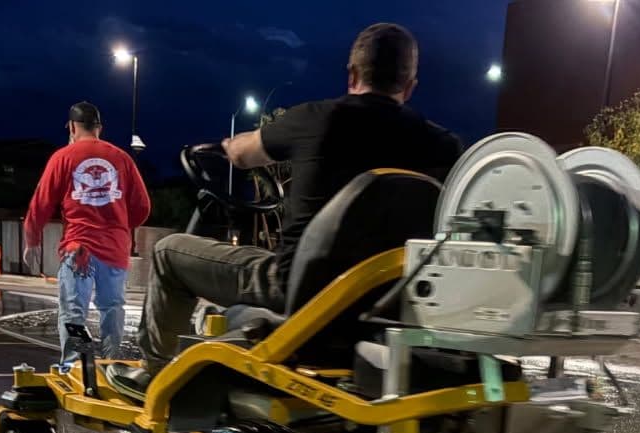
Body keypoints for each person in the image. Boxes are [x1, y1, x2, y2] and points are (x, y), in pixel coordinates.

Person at [135, 22, 462, 377]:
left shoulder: (316, 119)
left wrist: (225, 148)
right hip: (388, 303)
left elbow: (242, 153)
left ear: (352, 75)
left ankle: (153, 374)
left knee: (168, 252)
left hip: (297, 290)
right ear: (410, 86)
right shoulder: (443, 146)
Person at [23, 101, 150, 365]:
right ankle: (111, 365)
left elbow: (41, 203)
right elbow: (143, 207)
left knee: (73, 311)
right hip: (114, 250)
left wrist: (32, 239)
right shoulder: (122, 158)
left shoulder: (63, 158)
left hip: (79, 249)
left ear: (71, 127)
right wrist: (120, 227)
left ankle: (76, 367)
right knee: (112, 308)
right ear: (99, 128)